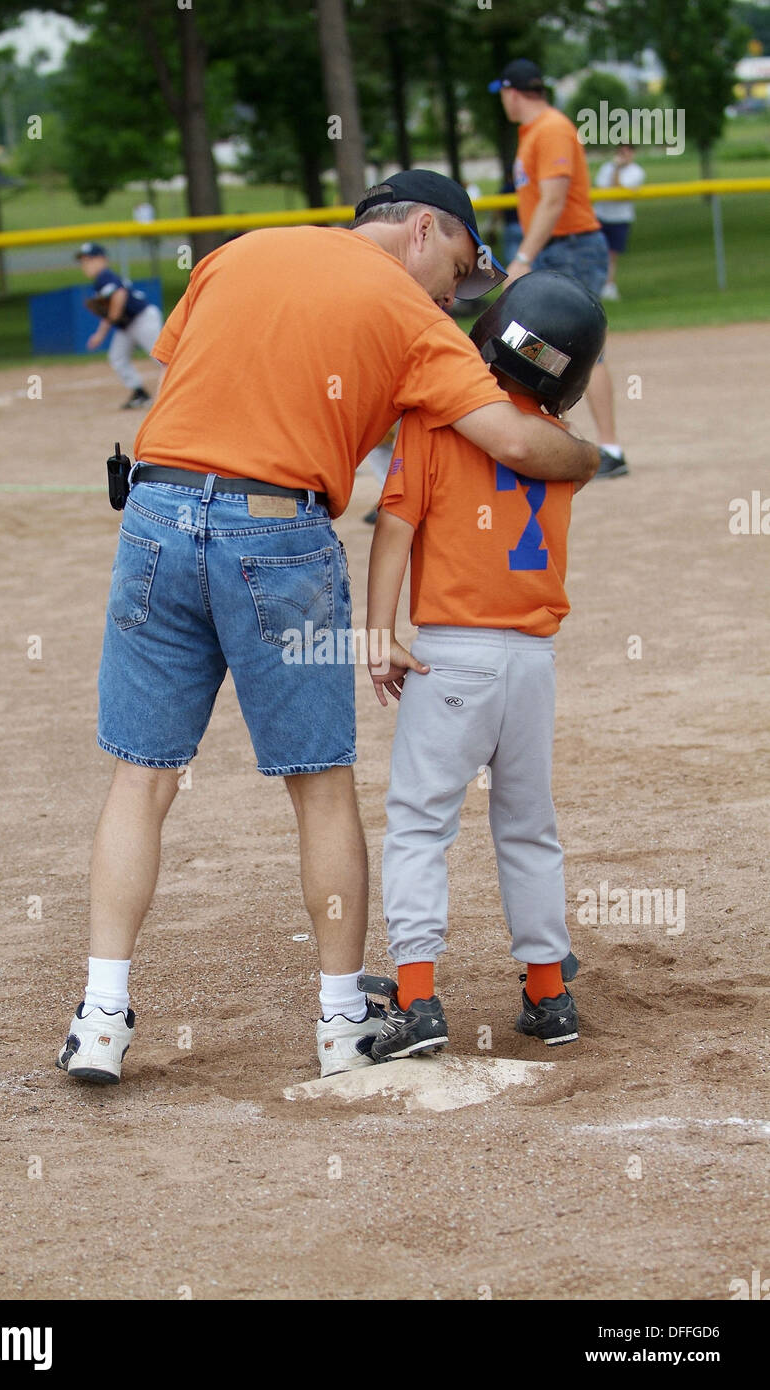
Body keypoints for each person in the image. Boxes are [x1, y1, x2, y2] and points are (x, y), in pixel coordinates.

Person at [56, 171, 600, 1088]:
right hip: (275, 533)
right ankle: (343, 1019)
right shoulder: (413, 317)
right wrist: (591, 456)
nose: (451, 295)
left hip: (153, 516)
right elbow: (515, 442)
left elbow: (179, 368)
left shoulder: (241, 252)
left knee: (141, 778)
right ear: (422, 229)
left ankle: (100, 1018)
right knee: (318, 786)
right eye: (459, 269)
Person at [361, 271, 607, 1058]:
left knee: (419, 825)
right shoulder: (561, 450)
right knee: (528, 827)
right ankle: (549, 995)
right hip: (532, 661)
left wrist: (379, 631)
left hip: (452, 658)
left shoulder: (436, 422)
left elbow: (394, 531)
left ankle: (419, 999)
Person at [489, 58, 628, 479]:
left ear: (513, 92)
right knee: (530, 343)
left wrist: (524, 257)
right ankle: (546, 432)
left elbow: (553, 199)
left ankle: (609, 448)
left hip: (569, 247)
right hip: (557, 248)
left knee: (584, 348)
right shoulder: (535, 131)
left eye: (503, 93)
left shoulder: (550, 128)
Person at [74, 242, 163, 409]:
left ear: (103, 259)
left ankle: (190, 387)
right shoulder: (100, 281)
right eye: (83, 261)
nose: (86, 265)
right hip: (128, 324)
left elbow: (119, 294)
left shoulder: (104, 276)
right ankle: (140, 394)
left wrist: (110, 320)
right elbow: (113, 305)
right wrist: (101, 332)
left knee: (161, 357)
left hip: (142, 318)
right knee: (117, 356)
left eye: (90, 260)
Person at [593, 144, 645, 300]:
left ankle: (608, 286)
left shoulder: (637, 171)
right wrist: (614, 168)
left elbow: (619, 192)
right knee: (597, 252)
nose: (624, 155)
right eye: (621, 151)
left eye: (628, 151)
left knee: (612, 254)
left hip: (620, 218)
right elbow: (602, 188)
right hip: (601, 216)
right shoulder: (606, 167)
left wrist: (616, 169)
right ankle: (599, 285)